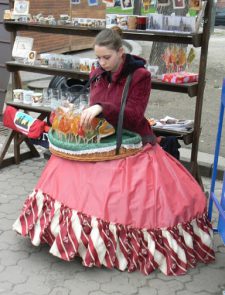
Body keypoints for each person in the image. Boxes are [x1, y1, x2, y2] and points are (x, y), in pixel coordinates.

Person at [13, 28, 215, 276]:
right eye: (98, 58)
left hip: (131, 140)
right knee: (69, 169)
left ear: (121, 52)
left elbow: (133, 115)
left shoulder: (140, 76)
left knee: (115, 192)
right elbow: (93, 107)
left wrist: (102, 106)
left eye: (106, 57)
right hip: (99, 140)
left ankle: (105, 241)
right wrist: (78, 110)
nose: (101, 63)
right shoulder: (98, 73)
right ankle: (65, 233)